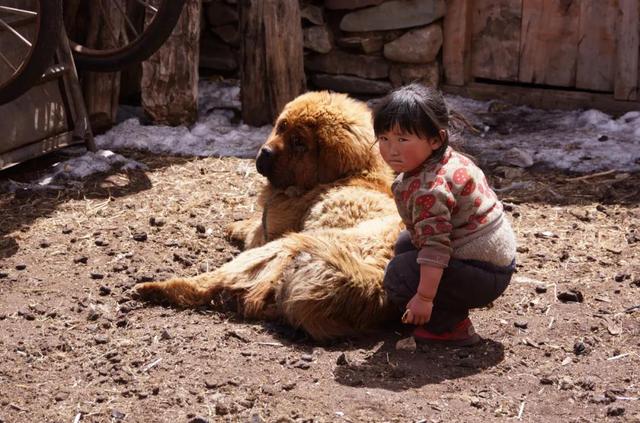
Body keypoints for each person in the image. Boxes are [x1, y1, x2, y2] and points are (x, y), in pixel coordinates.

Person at [374, 83, 517, 346]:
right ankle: (438, 306)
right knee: (406, 243)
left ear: (435, 139)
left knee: (398, 275)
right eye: (384, 138)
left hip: (483, 272)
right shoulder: (448, 160)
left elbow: (436, 248)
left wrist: (424, 298)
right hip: (493, 261)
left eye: (402, 139)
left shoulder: (429, 188)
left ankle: (451, 326)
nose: (391, 149)